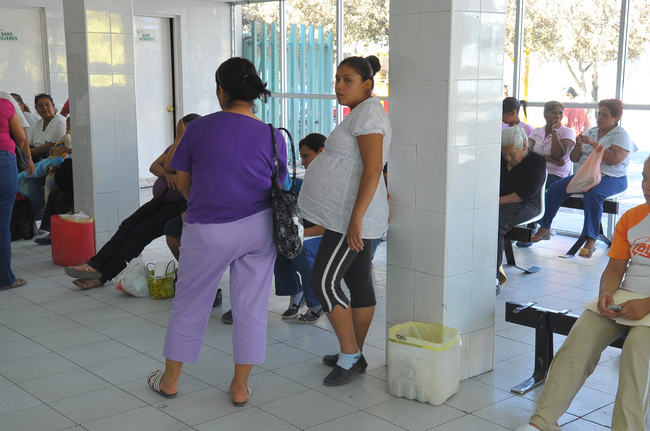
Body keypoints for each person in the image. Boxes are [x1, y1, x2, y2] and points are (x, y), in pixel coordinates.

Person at [147, 57, 287, 407]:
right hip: (258, 228)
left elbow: (182, 180)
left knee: (190, 303)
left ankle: (170, 381)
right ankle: (239, 387)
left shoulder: (197, 129)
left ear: (221, 90)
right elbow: (279, 184)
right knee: (251, 307)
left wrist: (201, 204)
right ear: (253, 92)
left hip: (208, 228)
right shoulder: (272, 135)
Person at [516, 157, 650, 431]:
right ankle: (542, 423)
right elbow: (615, 268)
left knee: (638, 350)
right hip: (627, 297)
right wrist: (605, 293)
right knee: (581, 336)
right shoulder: (632, 218)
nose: (647, 185)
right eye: (646, 177)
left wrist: (647, 304)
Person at [298, 55, 391, 386]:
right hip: (349, 215)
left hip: (350, 217)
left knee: (323, 281)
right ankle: (354, 354)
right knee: (359, 281)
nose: (339, 85)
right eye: (337, 79)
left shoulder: (370, 116)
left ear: (367, 84)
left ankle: (350, 355)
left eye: (347, 80)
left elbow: (372, 169)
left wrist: (356, 219)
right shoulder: (362, 112)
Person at [63, 113, 199, 289]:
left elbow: (170, 164)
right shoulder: (175, 146)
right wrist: (167, 174)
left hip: (178, 205)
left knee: (140, 233)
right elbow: (156, 166)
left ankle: (103, 276)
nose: (180, 131)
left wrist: (180, 139)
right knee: (128, 225)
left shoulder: (195, 149)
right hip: (161, 200)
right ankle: (95, 264)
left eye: (183, 129)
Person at [532, 99, 637, 259]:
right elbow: (574, 158)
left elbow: (615, 159)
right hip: (586, 176)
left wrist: (595, 144)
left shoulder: (621, 135)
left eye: (605, 115)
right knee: (555, 188)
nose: (599, 118)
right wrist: (579, 147)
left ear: (616, 118)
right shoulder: (591, 132)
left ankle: (591, 239)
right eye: (599, 114)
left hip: (612, 177)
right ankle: (545, 227)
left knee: (594, 195)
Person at [497, 127, 546, 293]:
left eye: (512, 154)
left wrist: (495, 202)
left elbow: (525, 194)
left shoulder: (537, 161)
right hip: (501, 201)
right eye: (505, 154)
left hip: (526, 203)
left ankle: (493, 276)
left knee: (496, 224)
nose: (508, 158)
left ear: (524, 146)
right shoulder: (500, 158)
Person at [0, 92, 33, 290]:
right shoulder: (4, 104)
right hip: (4, 161)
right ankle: (5, 279)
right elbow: (21, 137)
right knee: (2, 225)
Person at [25, 94, 66, 219]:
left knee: (36, 178)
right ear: (36, 109)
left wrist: (27, 154)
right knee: (29, 177)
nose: (44, 108)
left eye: (47, 104)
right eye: (40, 105)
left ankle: (45, 218)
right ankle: (38, 218)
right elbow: (27, 142)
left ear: (53, 106)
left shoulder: (59, 121)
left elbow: (48, 147)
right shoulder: (38, 124)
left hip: (56, 162)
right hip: (39, 161)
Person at [528, 101, 576, 187]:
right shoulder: (536, 132)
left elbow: (557, 155)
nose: (558, 116)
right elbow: (527, 154)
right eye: (554, 113)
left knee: (533, 183)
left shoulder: (568, 132)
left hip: (556, 175)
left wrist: (554, 131)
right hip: (535, 172)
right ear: (545, 115)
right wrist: (549, 159)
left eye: (560, 113)